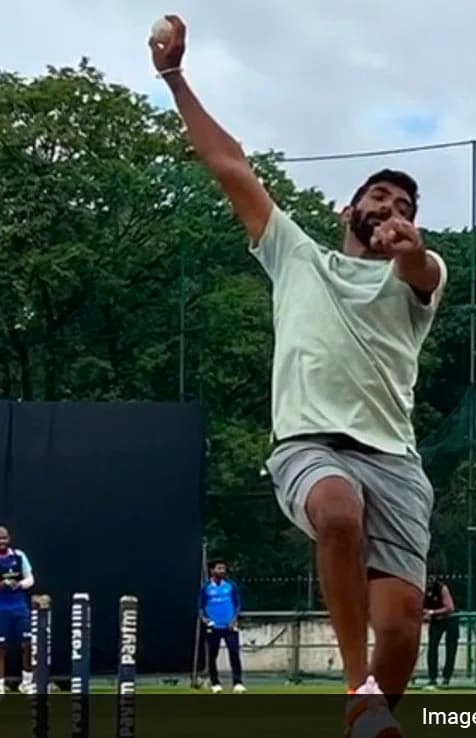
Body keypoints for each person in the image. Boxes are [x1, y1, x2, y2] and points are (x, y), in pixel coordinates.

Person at [151, 16, 445, 737]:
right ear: (349, 208)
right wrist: (173, 78)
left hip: (396, 462)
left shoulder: (419, 280)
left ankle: (368, 718)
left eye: (406, 208)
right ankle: (355, 689)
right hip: (310, 445)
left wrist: (411, 248)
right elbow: (231, 167)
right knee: (337, 512)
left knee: (403, 630)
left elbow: (421, 267)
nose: (393, 211)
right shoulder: (294, 253)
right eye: (381, 198)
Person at [199, 559, 245, 693]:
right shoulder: (206, 587)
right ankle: (215, 683)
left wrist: (234, 620)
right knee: (212, 655)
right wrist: (205, 620)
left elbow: (237, 605)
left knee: (234, 653)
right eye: (219, 568)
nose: (222, 571)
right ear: (212, 571)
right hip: (213, 627)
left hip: (229, 626)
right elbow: (200, 607)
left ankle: (238, 682)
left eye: (223, 569)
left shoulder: (231, 586)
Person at [0, 527, 35, 695]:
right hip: (1, 608)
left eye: (4, 538)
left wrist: (19, 584)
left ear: (9, 538)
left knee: (28, 644)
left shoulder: (19, 556)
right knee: (0, 646)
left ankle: (27, 682)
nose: (2, 541)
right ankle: (0, 684)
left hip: (19, 606)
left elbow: (30, 579)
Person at [423, 575, 458, 688]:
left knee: (451, 648)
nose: (429, 581)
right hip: (436, 621)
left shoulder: (441, 588)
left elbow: (450, 607)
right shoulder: (422, 588)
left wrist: (432, 612)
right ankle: (432, 678)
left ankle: (446, 677)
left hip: (450, 619)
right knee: (432, 648)